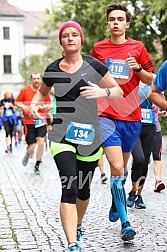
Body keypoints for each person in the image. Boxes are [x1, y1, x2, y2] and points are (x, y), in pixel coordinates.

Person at [28, 21, 123, 251]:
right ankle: (72, 244)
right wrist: (33, 106)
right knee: (69, 187)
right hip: (61, 136)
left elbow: (118, 91)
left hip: (89, 137)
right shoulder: (52, 69)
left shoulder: (94, 66)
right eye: (66, 35)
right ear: (61, 42)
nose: (70, 38)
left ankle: (78, 224)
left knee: (83, 190)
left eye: (74, 35)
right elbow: (40, 94)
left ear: (81, 39)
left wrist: (102, 91)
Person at [90, 2, 154, 241]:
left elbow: (150, 78)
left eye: (120, 19)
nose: (115, 22)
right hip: (106, 114)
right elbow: (93, 77)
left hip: (132, 117)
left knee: (123, 169)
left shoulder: (138, 48)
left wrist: (137, 68)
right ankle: (125, 223)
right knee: (116, 167)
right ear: (107, 24)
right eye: (112, 19)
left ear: (127, 24)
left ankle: (116, 202)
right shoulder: (99, 49)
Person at [127, 82, 156, 209]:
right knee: (139, 159)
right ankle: (133, 190)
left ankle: (139, 195)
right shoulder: (131, 80)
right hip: (134, 125)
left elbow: (160, 99)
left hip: (149, 126)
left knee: (145, 162)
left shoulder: (154, 81)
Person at [15, 73, 51, 175]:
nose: (36, 80)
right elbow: (17, 102)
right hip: (28, 121)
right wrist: (24, 107)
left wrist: (47, 107)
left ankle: (37, 165)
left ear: (40, 79)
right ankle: (28, 154)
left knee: (41, 142)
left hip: (41, 120)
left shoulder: (44, 91)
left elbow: (49, 104)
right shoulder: (24, 90)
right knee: (31, 145)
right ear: (31, 80)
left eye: (38, 78)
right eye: (34, 78)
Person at [152, 104, 166, 192]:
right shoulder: (141, 94)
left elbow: (154, 111)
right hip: (142, 130)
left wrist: (160, 113)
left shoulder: (158, 95)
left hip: (156, 130)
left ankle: (158, 181)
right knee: (141, 159)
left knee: (157, 156)